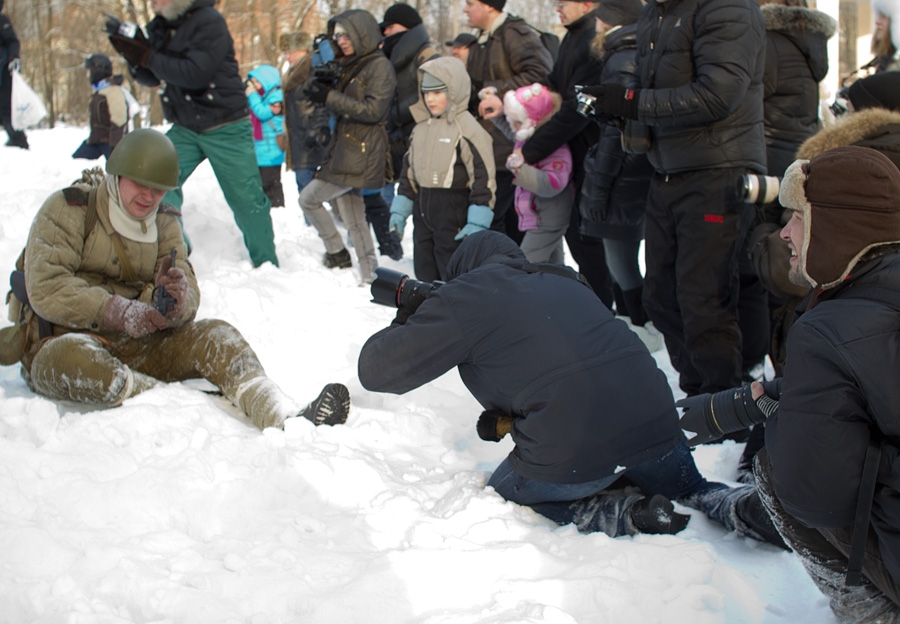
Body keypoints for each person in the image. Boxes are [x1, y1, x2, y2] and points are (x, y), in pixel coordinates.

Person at [358, 230, 783, 544]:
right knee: (688, 485)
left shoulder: (463, 297)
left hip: (575, 447)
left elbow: (377, 370)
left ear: (460, 274)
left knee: (506, 491)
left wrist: (416, 310)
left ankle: (625, 514)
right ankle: (730, 504)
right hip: (657, 422)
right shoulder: (563, 278)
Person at [679, 146, 900, 621]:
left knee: (776, 473)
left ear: (836, 226)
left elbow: (814, 497)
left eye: (797, 217)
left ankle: (871, 612)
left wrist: (781, 422)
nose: (784, 233)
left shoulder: (829, 327)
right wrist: (748, 405)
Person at [2, 129, 349, 430]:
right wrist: (119, 311)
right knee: (76, 360)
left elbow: (187, 282)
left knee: (218, 336)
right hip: (62, 342)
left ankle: (282, 415)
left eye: (159, 189)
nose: (149, 197)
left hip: (139, 343)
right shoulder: (68, 210)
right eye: (141, 183)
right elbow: (47, 286)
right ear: (118, 174)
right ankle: (176, 400)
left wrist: (178, 300)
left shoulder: (164, 221)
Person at [581, 0, 767, 397]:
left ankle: (720, 402)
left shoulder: (728, 8)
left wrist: (630, 103)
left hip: (718, 169)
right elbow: (655, 91)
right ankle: (696, 393)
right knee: (660, 297)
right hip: (666, 170)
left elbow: (718, 95)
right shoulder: (657, 12)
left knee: (703, 298)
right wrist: (616, 108)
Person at [106, 0, 279, 268]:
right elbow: (151, 77)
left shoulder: (209, 21)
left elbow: (196, 73)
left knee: (246, 198)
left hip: (226, 124)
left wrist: (147, 55)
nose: (154, 2)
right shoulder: (162, 26)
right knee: (155, 181)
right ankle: (175, 249)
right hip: (187, 125)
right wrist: (133, 51)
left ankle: (266, 262)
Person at [498, 0, 617, 308]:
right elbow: (551, 90)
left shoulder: (593, 40)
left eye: (562, 2)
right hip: (572, 155)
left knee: (588, 244)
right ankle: (571, 309)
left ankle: (605, 313)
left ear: (587, 3)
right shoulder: (573, 37)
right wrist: (512, 109)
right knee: (572, 245)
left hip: (588, 156)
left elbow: (576, 111)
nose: (557, 9)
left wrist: (532, 151)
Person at [578, 0, 658, 350]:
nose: (594, 22)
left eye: (599, 16)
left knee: (620, 259)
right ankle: (635, 323)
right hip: (631, 173)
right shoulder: (634, 51)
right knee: (622, 256)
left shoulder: (622, 56)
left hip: (621, 176)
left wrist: (598, 189)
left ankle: (640, 326)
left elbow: (615, 133)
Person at [297, 9, 397, 284]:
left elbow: (374, 110)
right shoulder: (354, 63)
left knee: (309, 199)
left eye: (346, 34)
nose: (341, 40)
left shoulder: (378, 66)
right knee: (354, 215)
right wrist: (322, 85)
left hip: (361, 150)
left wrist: (330, 96)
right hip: (347, 148)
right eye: (337, 35)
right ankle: (369, 273)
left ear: (361, 34)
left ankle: (337, 252)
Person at [389, 56, 495, 282]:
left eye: (438, 92)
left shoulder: (467, 128)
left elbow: (482, 176)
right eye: (426, 93)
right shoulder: (421, 128)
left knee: (452, 270)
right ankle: (430, 311)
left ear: (454, 90)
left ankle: (456, 313)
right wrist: (400, 209)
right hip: (424, 209)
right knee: (424, 266)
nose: (431, 99)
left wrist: (477, 218)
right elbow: (408, 174)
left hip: (453, 210)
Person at [463, 0, 554, 245]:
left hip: (509, 145)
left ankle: (513, 276)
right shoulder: (484, 39)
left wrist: (497, 92)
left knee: (502, 221)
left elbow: (541, 73)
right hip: (490, 144)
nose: (465, 9)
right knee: (503, 222)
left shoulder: (514, 34)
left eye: (470, 3)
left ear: (489, 6)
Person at [501, 83, 572, 264]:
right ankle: (558, 291)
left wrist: (520, 170)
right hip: (540, 216)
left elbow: (553, 183)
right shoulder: (527, 138)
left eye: (516, 122)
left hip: (547, 219)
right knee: (553, 268)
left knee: (526, 266)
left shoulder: (556, 149)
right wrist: (496, 116)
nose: (513, 127)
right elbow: (512, 133)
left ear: (531, 121)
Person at [279, 32, 333, 203]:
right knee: (304, 186)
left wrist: (314, 131)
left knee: (311, 188)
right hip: (300, 137)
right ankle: (314, 226)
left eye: (290, 52)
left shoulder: (312, 70)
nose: (287, 57)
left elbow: (322, 104)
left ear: (301, 50)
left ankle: (320, 226)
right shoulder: (294, 72)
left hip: (311, 137)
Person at [72, 55, 131, 161]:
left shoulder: (113, 91)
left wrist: (115, 148)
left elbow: (119, 119)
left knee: (114, 174)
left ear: (97, 70)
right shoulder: (100, 89)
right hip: (97, 142)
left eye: (89, 71)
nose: (87, 75)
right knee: (76, 161)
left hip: (111, 143)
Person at [246, 64, 286, 208]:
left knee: (271, 183)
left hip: (271, 149)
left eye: (256, 81)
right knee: (263, 183)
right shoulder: (264, 96)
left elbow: (262, 113)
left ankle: (277, 209)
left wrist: (252, 95)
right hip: (263, 149)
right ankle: (268, 208)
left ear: (267, 80)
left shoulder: (276, 96)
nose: (255, 86)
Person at [0, 0, 27, 150]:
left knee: (5, 110)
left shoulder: (2, 21)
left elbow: (13, 42)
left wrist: (13, 58)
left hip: (4, 73)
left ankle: (19, 140)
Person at [864, 0, 900, 74]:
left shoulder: (896, 66)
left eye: (884, 16)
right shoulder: (885, 59)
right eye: (878, 15)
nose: (877, 21)